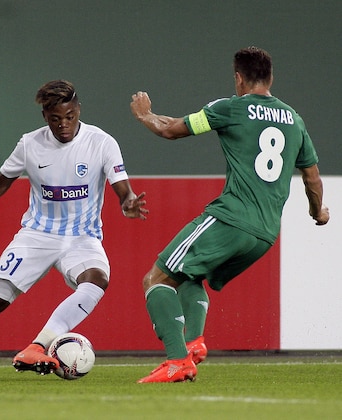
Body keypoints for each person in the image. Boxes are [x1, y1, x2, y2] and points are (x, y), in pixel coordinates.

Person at [129, 46, 329, 383]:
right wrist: (317, 213)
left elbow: (171, 129)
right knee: (190, 276)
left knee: (156, 279)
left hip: (231, 218)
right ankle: (193, 342)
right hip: (265, 235)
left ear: (238, 78)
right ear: (270, 78)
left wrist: (145, 115)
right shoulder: (294, 119)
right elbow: (311, 177)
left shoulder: (231, 108)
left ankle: (177, 361)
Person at [0, 79, 148, 377]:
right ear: (45, 118)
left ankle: (38, 345)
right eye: (55, 119)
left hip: (82, 238)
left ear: (78, 110)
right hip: (37, 235)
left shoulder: (101, 142)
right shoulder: (30, 144)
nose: (64, 125)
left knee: (97, 280)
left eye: (70, 117)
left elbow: (123, 189)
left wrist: (127, 203)